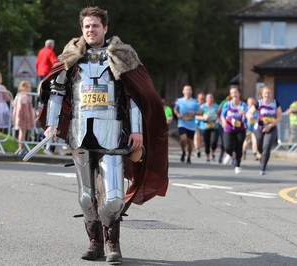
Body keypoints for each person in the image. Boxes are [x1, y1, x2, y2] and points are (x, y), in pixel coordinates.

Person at [38, 6, 168, 264]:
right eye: (86, 26)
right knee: (87, 196)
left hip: (112, 134)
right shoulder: (71, 56)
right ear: (81, 28)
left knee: (114, 198)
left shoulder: (121, 56)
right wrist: (52, 124)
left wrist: (138, 132)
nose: (90, 30)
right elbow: (56, 92)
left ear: (105, 28)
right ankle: (96, 243)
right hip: (80, 133)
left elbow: (135, 96)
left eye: (95, 26)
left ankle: (113, 244)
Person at [247, 86, 282, 175]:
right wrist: (249, 116)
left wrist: (270, 126)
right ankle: (262, 157)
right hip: (259, 128)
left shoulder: (275, 103)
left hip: (271, 128)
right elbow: (249, 113)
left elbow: (279, 117)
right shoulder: (259, 103)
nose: (267, 94)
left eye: (269, 92)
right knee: (260, 147)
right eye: (265, 93)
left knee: (266, 147)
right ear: (262, 95)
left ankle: (263, 168)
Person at [220, 85, 248, 174]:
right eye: (232, 93)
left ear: (239, 93)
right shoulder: (227, 104)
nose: (234, 95)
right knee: (227, 147)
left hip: (240, 129)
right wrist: (223, 121)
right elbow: (222, 115)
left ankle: (237, 165)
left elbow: (248, 115)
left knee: (239, 148)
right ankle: (230, 154)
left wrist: (244, 114)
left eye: (235, 92)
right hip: (229, 128)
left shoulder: (243, 105)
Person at [174, 85, 201, 164]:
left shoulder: (195, 102)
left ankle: (189, 156)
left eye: (189, 89)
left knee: (189, 143)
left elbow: (200, 112)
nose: (188, 91)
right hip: (182, 123)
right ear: (183, 91)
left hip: (191, 125)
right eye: (186, 90)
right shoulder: (179, 101)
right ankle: (183, 151)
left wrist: (194, 113)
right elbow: (175, 109)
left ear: (191, 91)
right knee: (183, 139)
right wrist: (178, 114)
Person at [12, 80, 35, 156]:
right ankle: (20, 148)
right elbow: (22, 108)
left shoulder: (18, 95)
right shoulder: (24, 96)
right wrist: (26, 116)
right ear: (24, 88)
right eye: (29, 87)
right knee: (22, 132)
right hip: (23, 118)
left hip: (19, 117)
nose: (30, 89)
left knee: (22, 132)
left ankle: (21, 148)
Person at [196, 93, 219, 163]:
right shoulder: (202, 107)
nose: (210, 99)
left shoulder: (216, 106)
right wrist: (203, 117)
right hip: (205, 126)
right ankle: (208, 156)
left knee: (214, 141)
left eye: (211, 98)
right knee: (207, 142)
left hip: (214, 126)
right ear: (206, 99)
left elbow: (220, 115)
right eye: (209, 98)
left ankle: (213, 152)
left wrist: (218, 119)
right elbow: (197, 116)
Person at [217, 95, 231, 163]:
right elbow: (219, 111)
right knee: (224, 141)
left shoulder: (239, 104)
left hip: (234, 125)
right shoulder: (224, 102)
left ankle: (233, 157)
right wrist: (219, 119)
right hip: (223, 124)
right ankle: (221, 155)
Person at [194, 92, 205, 158]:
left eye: (203, 99)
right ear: (198, 99)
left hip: (203, 124)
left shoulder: (206, 106)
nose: (202, 100)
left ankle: (199, 148)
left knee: (201, 138)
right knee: (196, 136)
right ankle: (197, 149)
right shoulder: (195, 105)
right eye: (201, 98)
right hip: (195, 123)